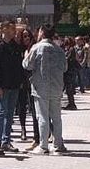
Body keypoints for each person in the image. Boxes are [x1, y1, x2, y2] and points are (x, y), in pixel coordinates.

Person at [23, 25, 70, 155]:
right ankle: (58, 144)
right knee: (56, 117)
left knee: (42, 116)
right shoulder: (59, 50)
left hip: (40, 87)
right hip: (56, 86)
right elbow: (65, 67)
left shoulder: (36, 48)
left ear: (42, 33)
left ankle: (43, 145)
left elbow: (27, 65)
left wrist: (26, 55)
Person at [0, 22, 25, 154]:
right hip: (1, 86)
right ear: (3, 29)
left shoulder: (15, 46)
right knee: (1, 112)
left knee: (10, 114)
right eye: (11, 28)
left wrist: (20, 81)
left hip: (13, 85)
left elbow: (19, 65)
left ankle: (6, 141)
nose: (14, 31)